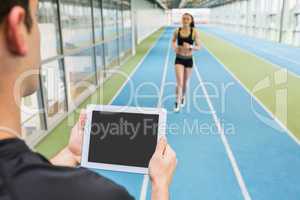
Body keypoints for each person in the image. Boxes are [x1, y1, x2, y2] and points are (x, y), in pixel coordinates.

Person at [0, 0, 177, 200]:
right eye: (38, 17)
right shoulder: (99, 194)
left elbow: (26, 182)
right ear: (17, 30)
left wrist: (71, 153)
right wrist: (160, 185)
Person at [172, 13, 201, 112]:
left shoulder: (194, 32)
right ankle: (177, 101)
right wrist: (174, 47)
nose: (185, 20)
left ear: (191, 21)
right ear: (181, 20)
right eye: (183, 18)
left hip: (189, 60)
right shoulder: (177, 31)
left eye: (187, 19)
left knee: (184, 83)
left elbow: (198, 46)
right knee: (179, 82)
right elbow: (173, 41)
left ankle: (183, 96)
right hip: (179, 59)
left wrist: (190, 47)